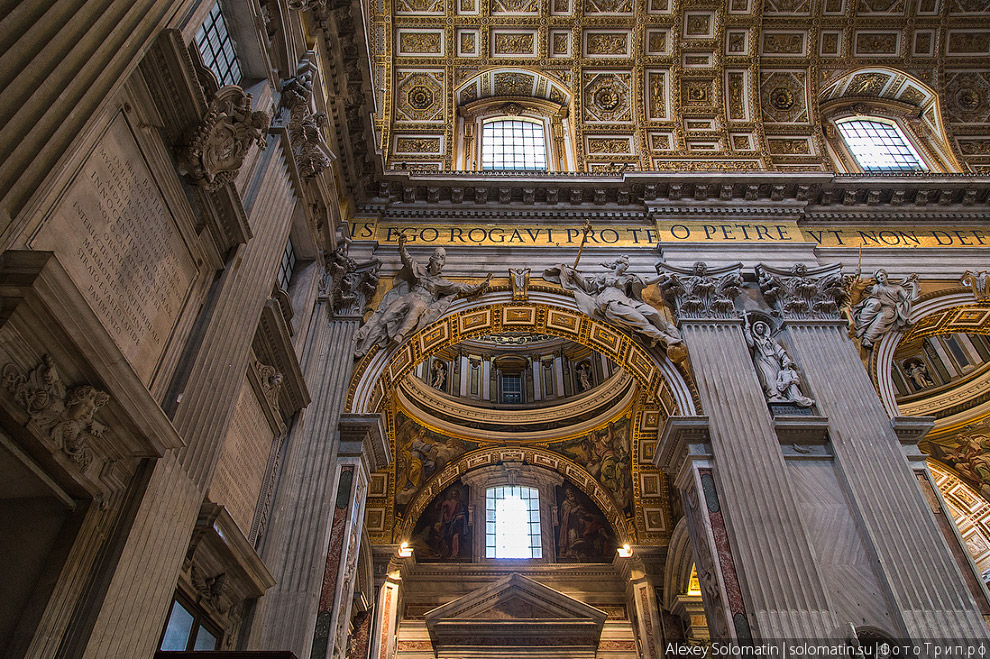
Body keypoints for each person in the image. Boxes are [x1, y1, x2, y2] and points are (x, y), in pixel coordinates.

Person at [355, 233, 492, 356]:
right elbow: (408, 260)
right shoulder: (419, 270)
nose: (439, 266)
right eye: (437, 262)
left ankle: (400, 333)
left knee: (416, 308)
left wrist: (479, 286)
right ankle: (364, 348)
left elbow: (461, 286)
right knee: (383, 319)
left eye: (441, 264)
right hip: (409, 296)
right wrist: (402, 246)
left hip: (422, 302)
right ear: (431, 261)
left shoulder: (441, 283)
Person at [544, 255, 684, 360]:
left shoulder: (628, 278)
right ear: (617, 264)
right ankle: (665, 339)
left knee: (654, 314)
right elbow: (588, 286)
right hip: (610, 301)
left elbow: (646, 281)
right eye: (624, 264)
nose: (626, 267)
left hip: (628, 301)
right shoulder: (605, 276)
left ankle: (671, 333)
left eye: (627, 265)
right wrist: (575, 274)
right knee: (640, 321)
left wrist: (662, 276)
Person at [743, 316, 814, 408]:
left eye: (761, 327)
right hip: (762, 360)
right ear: (755, 329)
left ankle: (780, 394)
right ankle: (773, 394)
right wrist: (747, 330)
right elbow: (750, 343)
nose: (760, 329)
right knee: (768, 376)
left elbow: (778, 349)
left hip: (773, 359)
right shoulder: (755, 339)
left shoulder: (770, 339)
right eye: (758, 328)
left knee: (776, 376)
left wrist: (785, 357)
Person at [852, 269, 919, 349]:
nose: (880, 277)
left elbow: (912, 298)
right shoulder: (875, 287)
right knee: (875, 304)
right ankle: (860, 327)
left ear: (886, 275)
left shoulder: (897, 288)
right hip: (876, 303)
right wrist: (857, 276)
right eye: (878, 277)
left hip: (888, 308)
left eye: (881, 275)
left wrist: (915, 285)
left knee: (882, 316)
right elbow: (859, 288)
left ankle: (867, 338)